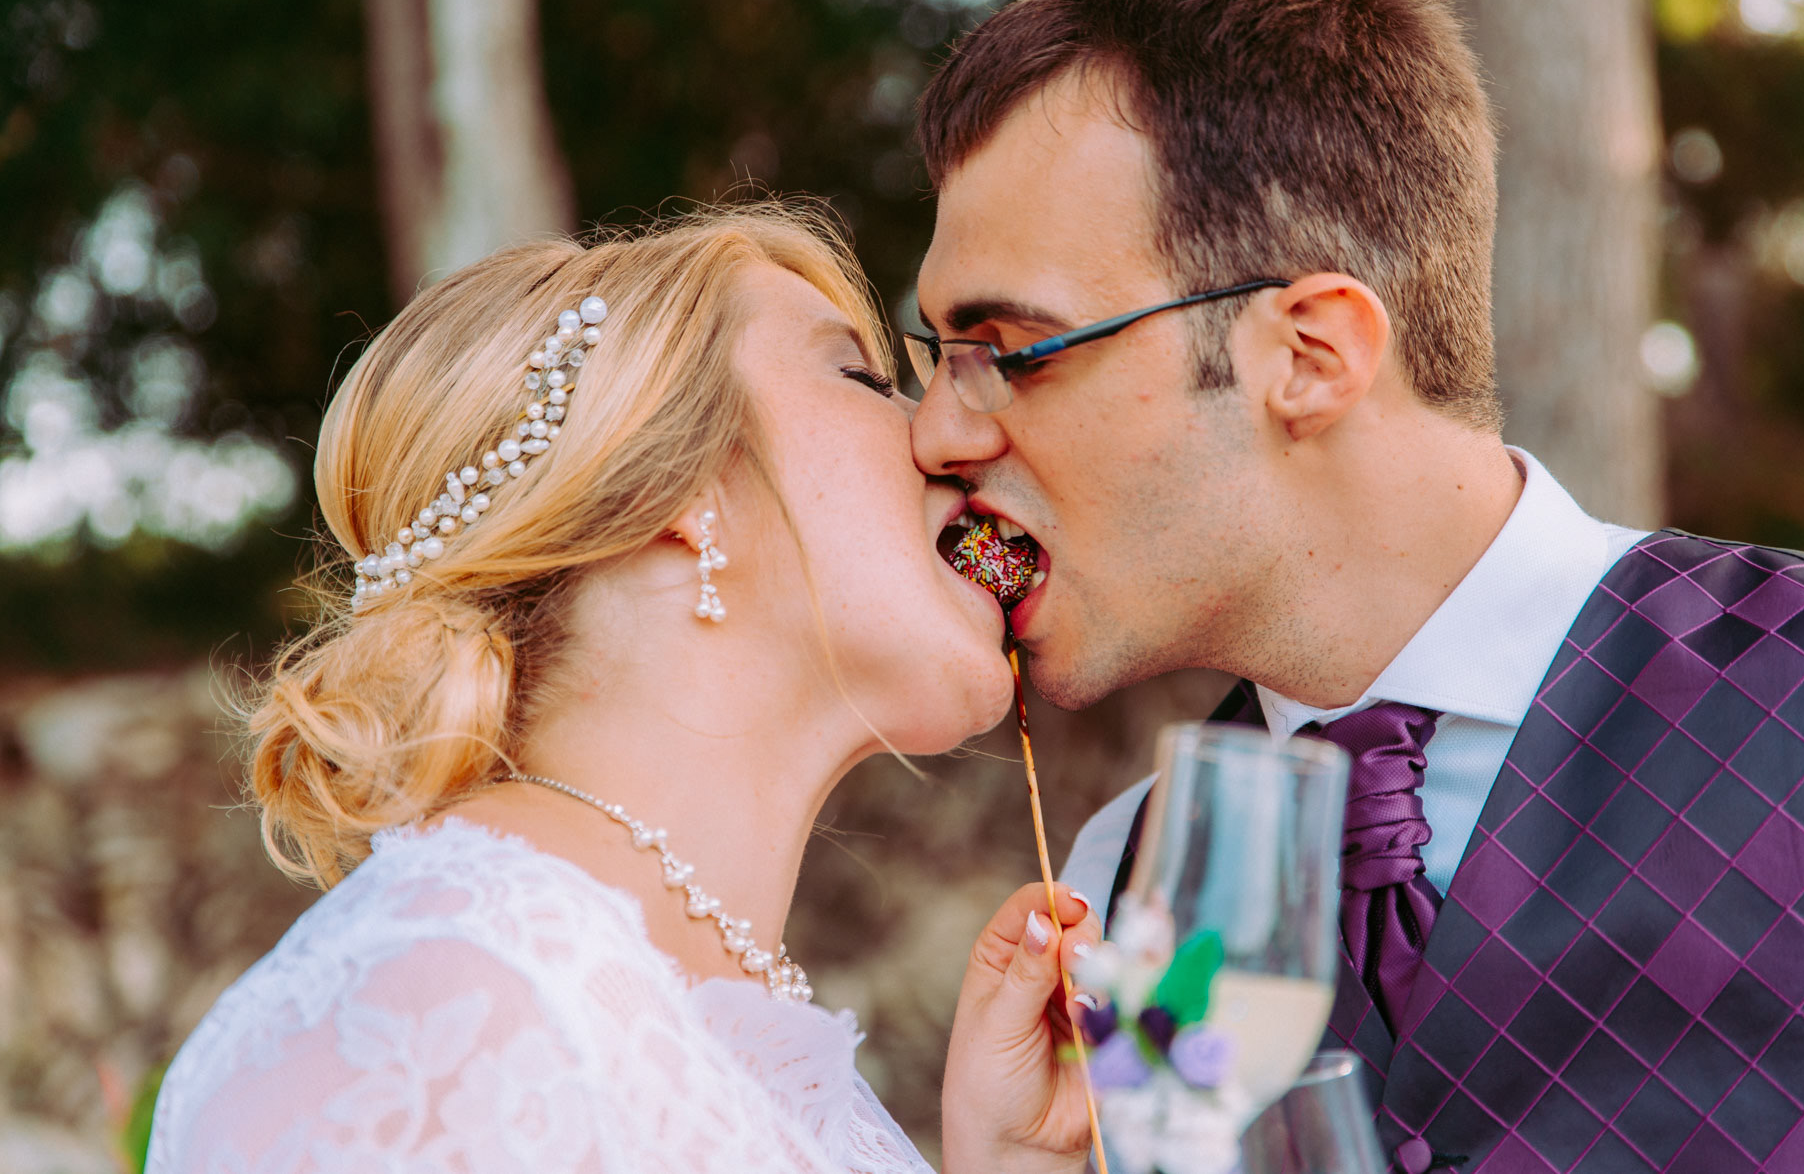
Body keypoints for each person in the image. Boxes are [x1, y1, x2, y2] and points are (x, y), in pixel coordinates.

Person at [906, 0, 1804, 1174]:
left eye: (1004, 352)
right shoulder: (1128, 884)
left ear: (1308, 356)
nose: (938, 432)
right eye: (935, 359)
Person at [146, 205, 1102, 1174]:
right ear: (673, 490)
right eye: (861, 376)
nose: (944, 436)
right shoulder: (431, 1013)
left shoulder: (742, 1056)